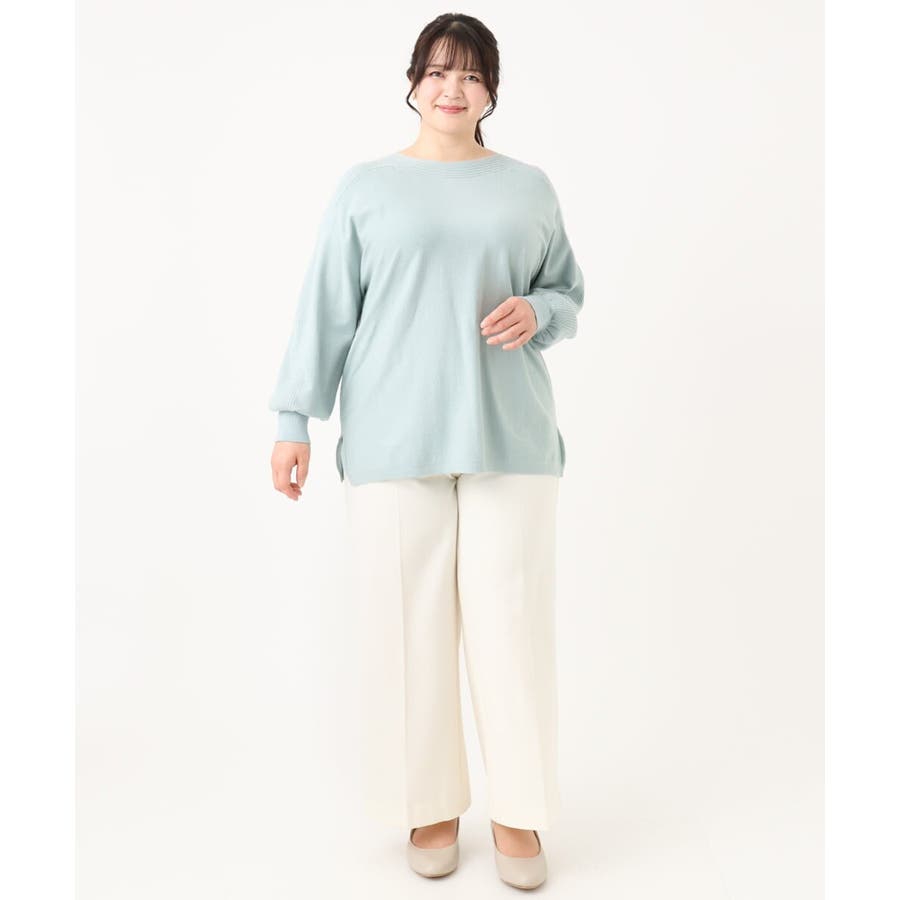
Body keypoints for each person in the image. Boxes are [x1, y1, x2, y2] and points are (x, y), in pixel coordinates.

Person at [268, 13, 584, 890]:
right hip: (393, 438)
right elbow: (327, 307)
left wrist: (540, 312)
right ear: (413, 82)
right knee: (408, 631)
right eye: (439, 71)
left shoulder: (528, 188)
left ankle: (519, 811)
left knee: (511, 625)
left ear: (491, 92)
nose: (454, 88)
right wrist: (294, 420)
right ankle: (429, 804)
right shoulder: (366, 188)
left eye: (473, 75)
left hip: (508, 435)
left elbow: (566, 292)